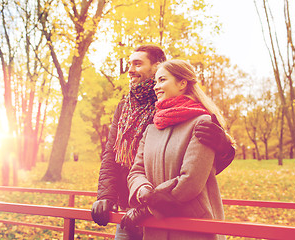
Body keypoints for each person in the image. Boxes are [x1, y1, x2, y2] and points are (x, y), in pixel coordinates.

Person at [91, 45, 235, 239]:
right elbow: (112, 153)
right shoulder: (126, 107)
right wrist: (106, 194)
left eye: (138, 63)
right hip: (132, 202)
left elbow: (200, 169)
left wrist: (224, 148)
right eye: (129, 64)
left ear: (157, 66)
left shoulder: (185, 108)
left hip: (175, 208)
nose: (130, 70)